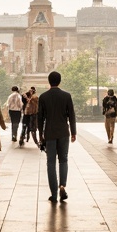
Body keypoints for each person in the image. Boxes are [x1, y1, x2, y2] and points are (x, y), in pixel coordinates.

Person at [36, 70, 77, 204]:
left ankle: (53, 193)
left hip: (49, 133)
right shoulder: (66, 96)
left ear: (49, 81)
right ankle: (62, 186)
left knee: (51, 162)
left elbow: (40, 117)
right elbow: (71, 115)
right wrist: (73, 132)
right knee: (63, 160)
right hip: (64, 132)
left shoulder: (43, 97)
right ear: (59, 81)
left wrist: (40, 134)